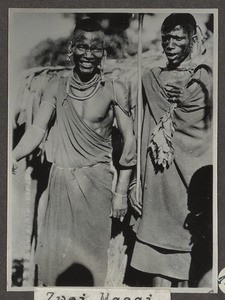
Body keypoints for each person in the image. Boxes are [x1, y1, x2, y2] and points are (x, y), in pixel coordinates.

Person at [12, 18, 136, 286]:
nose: (88, 54)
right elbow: (36, 130)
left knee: (90, 269)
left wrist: (121, 193)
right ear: (71, 49)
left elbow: (129, 140)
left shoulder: (116, 89)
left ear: (103, 52)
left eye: (95, 48)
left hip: (97, 187)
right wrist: (12, 156)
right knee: (57, 268)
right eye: (82, 46)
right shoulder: (56, 86)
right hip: (61, 184)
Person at [129, 13, 213, 287]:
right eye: (166, 38)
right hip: (158, 185)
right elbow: (142, 132)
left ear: (192, 40)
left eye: (178, 38)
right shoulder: (151, 78)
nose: (171, 44)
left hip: (190, 187)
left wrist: (192, 96)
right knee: (158, 273)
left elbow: (205, 130)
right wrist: (135, 181)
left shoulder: (205, 78)